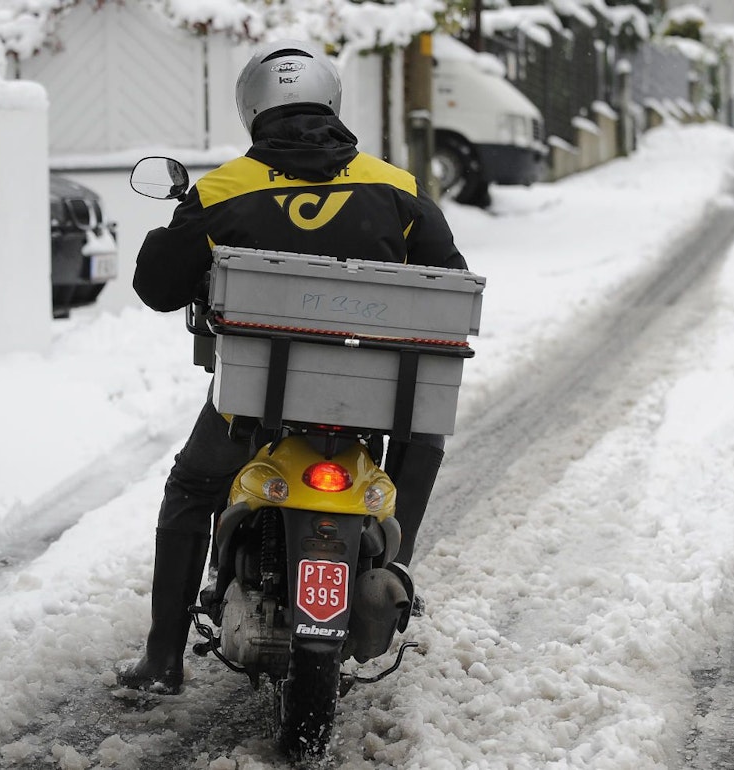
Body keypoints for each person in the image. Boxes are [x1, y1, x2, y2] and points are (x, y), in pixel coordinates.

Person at [116, 39, 468, 694]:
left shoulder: (223, 190)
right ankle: (394, 572)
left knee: (193, 490)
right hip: (379, 398)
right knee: (422, 434)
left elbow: (157, 287)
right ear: (331, 102)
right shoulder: (397, 189)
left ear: (252, 109)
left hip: (254, 401)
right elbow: (447, 292)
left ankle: (163, 661)